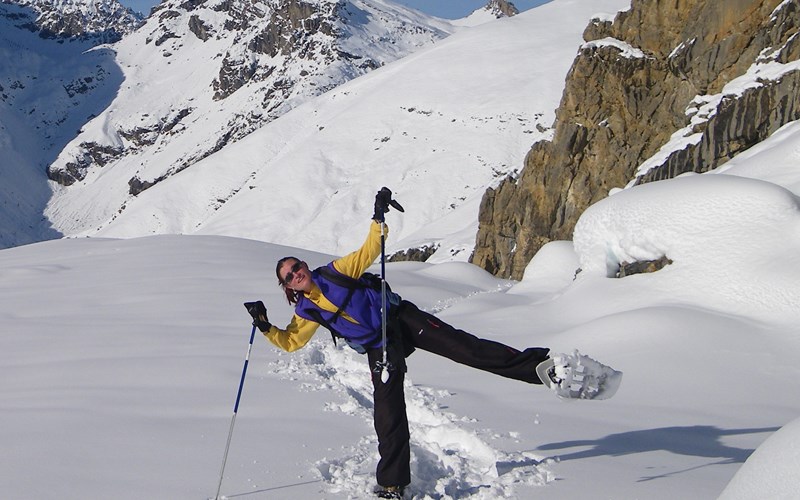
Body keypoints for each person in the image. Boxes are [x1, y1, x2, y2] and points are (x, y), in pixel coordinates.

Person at [245, 188, 619, 499]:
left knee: (465, 348)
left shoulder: (337, 274)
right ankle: (392, 484)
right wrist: (264, 326)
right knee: (387, 411)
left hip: (402, 319)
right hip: (380, 346)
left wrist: (378, 218)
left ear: (305, 267)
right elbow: (291, 343)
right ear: (289, 287)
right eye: (290, 276)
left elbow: (368, 251)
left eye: (297, 267)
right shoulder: (307, 312)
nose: (297, 274)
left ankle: (543, 368)